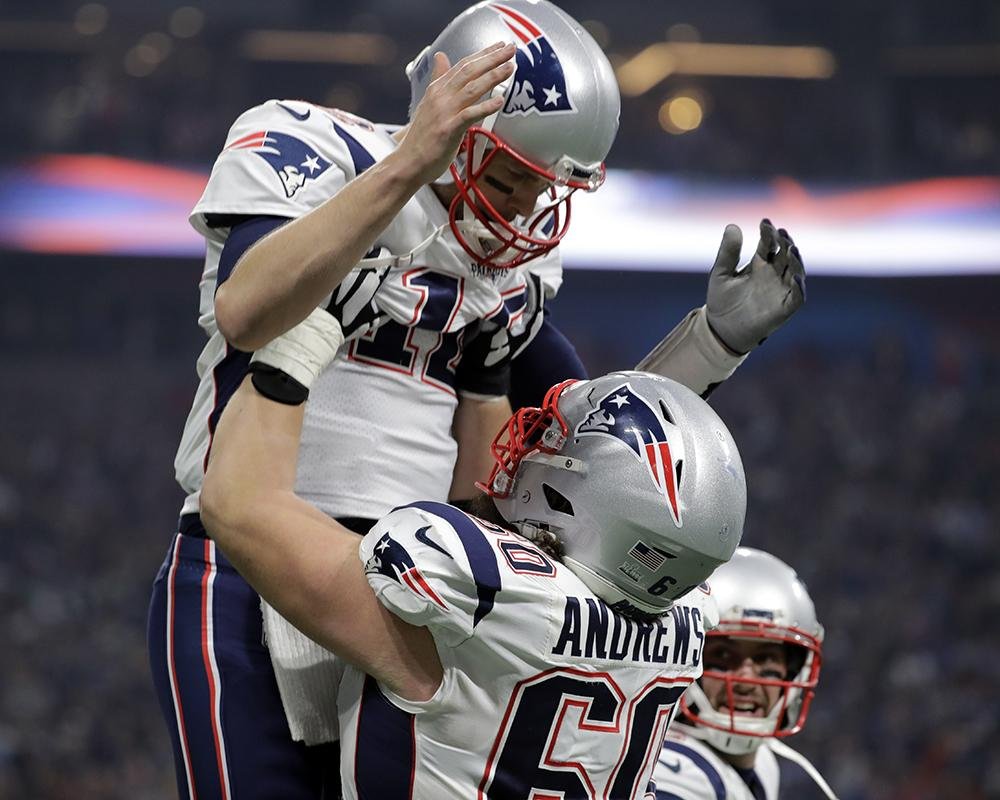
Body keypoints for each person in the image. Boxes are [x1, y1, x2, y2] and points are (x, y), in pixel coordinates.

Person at [147, 0, 805, 797]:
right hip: (253, 561)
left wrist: (713, 344)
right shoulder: (309, 145)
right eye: (507, 176)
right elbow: (247, 310)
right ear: (447, 115)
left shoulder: (511, 268)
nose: (524, 208)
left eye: (542, 187)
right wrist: (407, 168)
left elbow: (593, 446)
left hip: (419, 593)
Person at [199, 299, 749, 795]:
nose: (525, 445)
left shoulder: (478, 595)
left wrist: (289, 353)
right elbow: (627, 490)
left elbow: (236, 505)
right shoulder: (685, 624)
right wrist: (485, 391)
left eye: (549, 444)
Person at [652, 548, 838, 799]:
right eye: (724, 657)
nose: (746, 681)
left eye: (766, 658)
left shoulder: (763, 763)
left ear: (793, 671)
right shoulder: (677, 774)